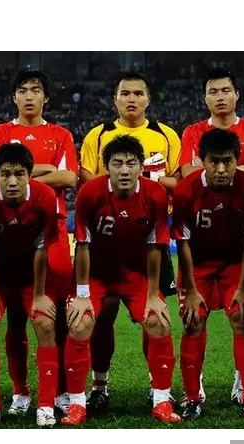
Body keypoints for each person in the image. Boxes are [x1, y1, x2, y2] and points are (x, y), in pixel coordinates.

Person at [79, 72, 180, 411]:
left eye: (138, 93)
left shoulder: (166, 135)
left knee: (155, 315)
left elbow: (177, 180)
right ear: (115, 99)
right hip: (105, 245)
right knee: (101, 316)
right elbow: (86, 177)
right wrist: (120, 183)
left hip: (147, 240)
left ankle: (158, 389)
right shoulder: (98, 135)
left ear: (148, 99)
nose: (131, 99)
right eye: (125, 93)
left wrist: (149, 181)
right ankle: (98, 387)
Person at [62, 135, 179, 425]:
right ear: (106, 167)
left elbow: (156, 247)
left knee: (158, 321)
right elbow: (83, 245)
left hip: (136, 275)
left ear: (141, 166)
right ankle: (77, 405)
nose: (124, 170)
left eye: (131, 163)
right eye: (117, 164)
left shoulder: (155, 194)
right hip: (97, 274)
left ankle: (162, 401)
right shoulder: (90, 193)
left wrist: (153, 295)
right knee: (80, 323)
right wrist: (82, 294)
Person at [0, 70, 78, 417]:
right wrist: (45, 168)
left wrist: (24, 170)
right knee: (13, 317)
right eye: (22, 90)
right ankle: (20, 391)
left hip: (52, 230)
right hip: (7, 233)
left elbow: (68, 177)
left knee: (56, 316)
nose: (29, 96)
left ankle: (60, 390)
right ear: (14, 97)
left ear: (45, 97)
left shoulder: (60, 134)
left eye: (35, 90)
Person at [178, 67, 244, 404]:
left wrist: (224, 172)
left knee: (243, 316)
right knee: (192, 320)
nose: (220, 97)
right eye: (213, 91)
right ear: (205, 98)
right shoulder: (192, 132)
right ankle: (194, 391)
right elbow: (188, 172)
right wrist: (232, 170)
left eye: (226, 90)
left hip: (237, 254)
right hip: (200, 255)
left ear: (236, 94)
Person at [172, 129, 244, 420]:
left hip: (235, 264)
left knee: (242, 319)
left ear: (237, 160)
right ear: (202, 161)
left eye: (228, 161)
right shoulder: (186, 190)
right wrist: (190, 289)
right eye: (214, 161)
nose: (221, 169)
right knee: (193, 322)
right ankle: (192, 397)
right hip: (198, 265)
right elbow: (182, 243)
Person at [0, 142, 61, 428]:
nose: (12, 181)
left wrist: (39, 295)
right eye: (5, 174)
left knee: (45, 323)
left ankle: (46, 404)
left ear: (29, 175)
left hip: (31, 278)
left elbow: (42, 248)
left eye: (19, 174)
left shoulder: (46, 197)